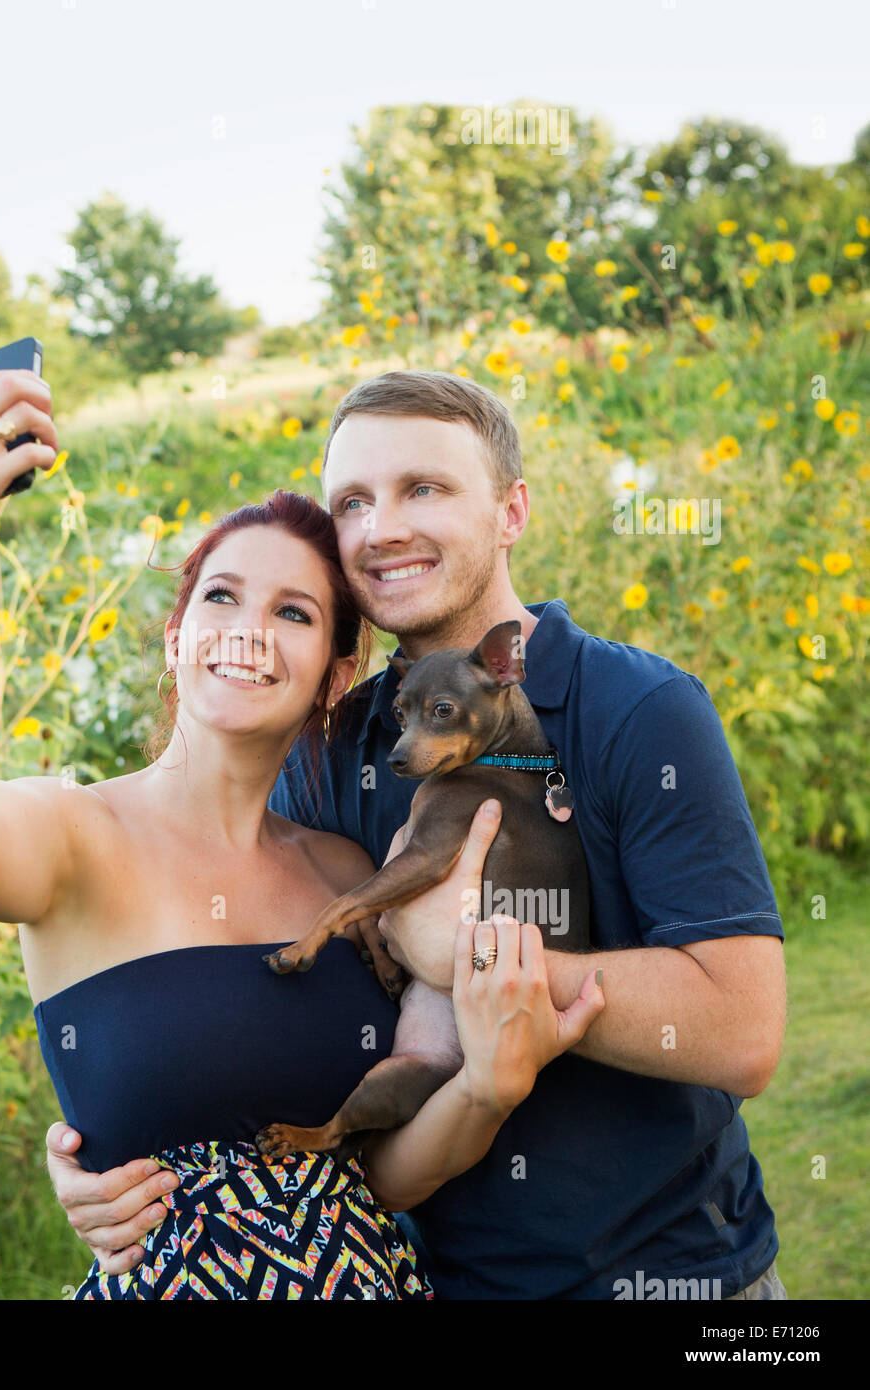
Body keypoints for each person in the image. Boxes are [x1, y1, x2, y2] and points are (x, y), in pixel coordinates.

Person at [47, 369, 789, 1301]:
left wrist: (469, 956)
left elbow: (743, 1030)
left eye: (423, 489)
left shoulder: (639, 709)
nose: (381, 527)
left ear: (512, 510)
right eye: (352, 500)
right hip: (407, 1281)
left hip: (670, 1281)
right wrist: (104, 1148)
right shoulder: (328, 746)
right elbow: (231, 995)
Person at [0, 367, 604, 1300]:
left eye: (293, 613)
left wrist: (485, 1093)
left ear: (333, 678)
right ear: (175, 635)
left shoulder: (344, 872)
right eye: (220, 598)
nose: (248, 630)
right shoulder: (72, 834)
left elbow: (381, 1177)